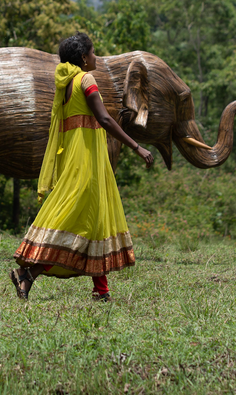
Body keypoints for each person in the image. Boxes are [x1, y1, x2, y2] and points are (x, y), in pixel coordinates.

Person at [11, 33, 153, 302]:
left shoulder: (64, 83)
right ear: (84, 58)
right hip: (87, 158)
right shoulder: (86, 79)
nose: (96, 56)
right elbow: (104, 119)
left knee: (92, 219)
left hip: (78, 156)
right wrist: (137, 147)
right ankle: (27, 274)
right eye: (93, 52)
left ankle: (100, 291)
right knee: (80, 219)